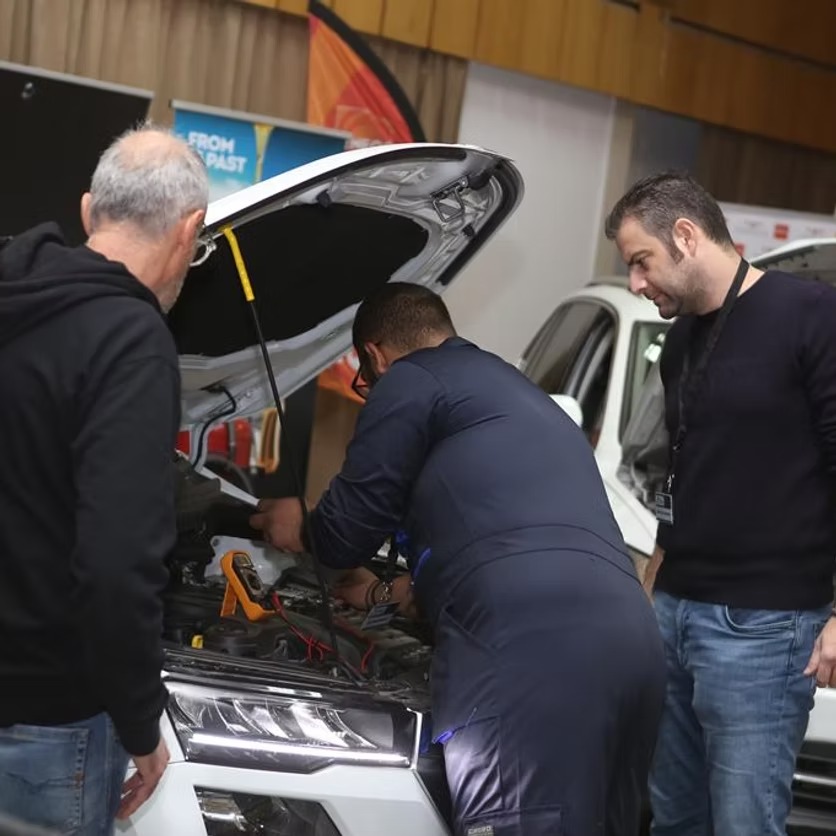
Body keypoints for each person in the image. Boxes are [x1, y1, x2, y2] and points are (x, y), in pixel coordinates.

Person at [250, 283, 666, 836]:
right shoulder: (516, 394)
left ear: (374, 356)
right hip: (631, 647)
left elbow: (342, 535)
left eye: (365, 381)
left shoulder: (410, 379)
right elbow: (502, 545)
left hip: (527, 652)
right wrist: (379, 593)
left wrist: (300, 523)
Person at [605, 171, 836, 836]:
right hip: (675, 613)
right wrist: (651, 596)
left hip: (763, 628)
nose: (636, 283)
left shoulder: (811, 316)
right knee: (675, 818)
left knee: (743, 825)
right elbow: (681, 475)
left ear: (685, 236)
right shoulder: (680, 340)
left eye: (642, 262)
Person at [0, 124, 209, 834]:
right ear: (190, 231)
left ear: (88, 210)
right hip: (46, 720)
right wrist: (141, 721)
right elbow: (115, 566)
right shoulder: (131, 340)